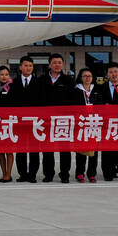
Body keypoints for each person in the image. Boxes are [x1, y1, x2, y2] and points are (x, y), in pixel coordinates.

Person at [40, 53, 75, 183]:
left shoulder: (69, 80)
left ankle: (64, 174)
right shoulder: (42, 79)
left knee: (65, 148)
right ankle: (48, 174)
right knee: (47, 149)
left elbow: (72, 100)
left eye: (60, 62)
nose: (57, 65)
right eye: (54, 62)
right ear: (49, 64)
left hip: (63, 121)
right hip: (47, 120)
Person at [8, 56, 44, 182]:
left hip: (35, 122)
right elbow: (10, 102)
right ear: (20, 67)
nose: (28, 68)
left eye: (30, 66)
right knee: (21, 149)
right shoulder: (13, 83)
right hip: (20, 122)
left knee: (34, 150)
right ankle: (22, 174)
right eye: (25, 65)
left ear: (32, 68)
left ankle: (32, 174)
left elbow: (42, 102)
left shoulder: (39, 83)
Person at [72, 67, 105, 182]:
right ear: (80, 78)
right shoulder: (75, 90)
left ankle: (91, 173)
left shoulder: (97, 90)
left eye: (89, 76)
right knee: (80, 150)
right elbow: (72, 107)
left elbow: (101, 106)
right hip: (80, 124)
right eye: (85, 76)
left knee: (94, 151)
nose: (87, 78)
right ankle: (79, 173)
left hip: (93, 124)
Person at [0, 65, 16, 182]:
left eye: (6, 74)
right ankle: (3, 173)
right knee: (0, 151)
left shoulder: (13, 88)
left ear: (9, 76)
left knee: (9, 151)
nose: (4, 77)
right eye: (1, 74)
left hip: (10, 123)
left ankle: (9, 174)